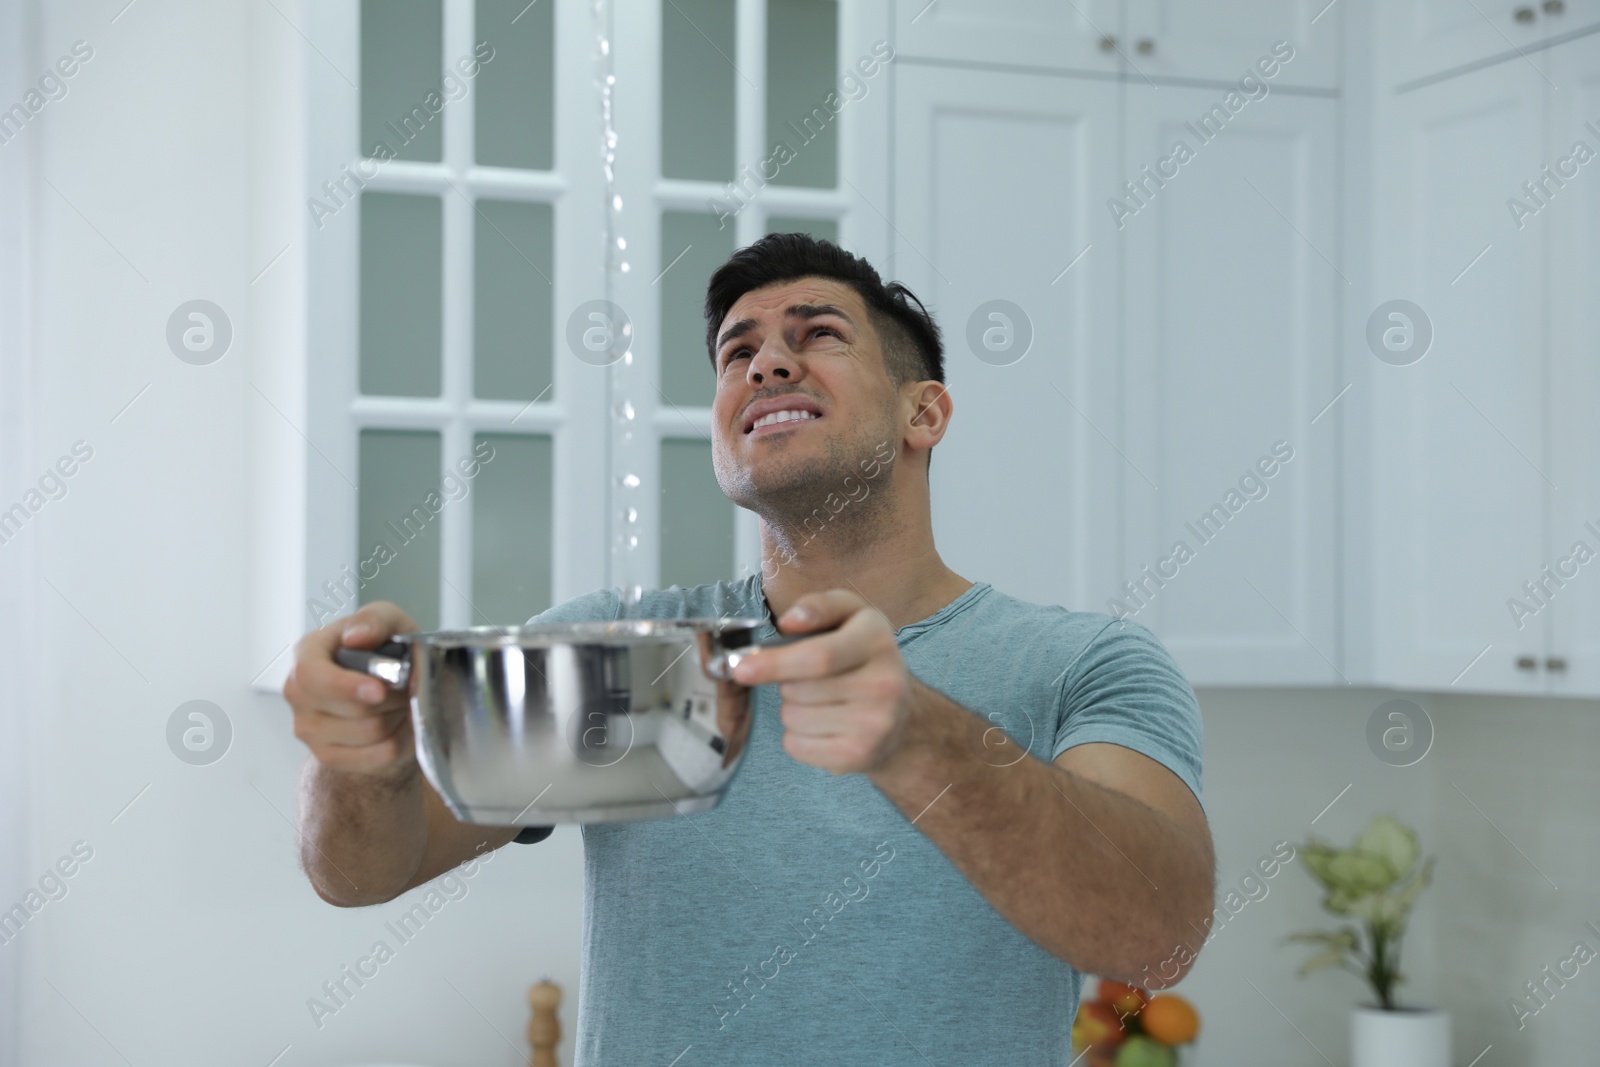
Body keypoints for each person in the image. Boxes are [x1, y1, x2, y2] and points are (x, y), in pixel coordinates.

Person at [287, 233, 1214, 1064]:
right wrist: (357, 762)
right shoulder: (633, 654)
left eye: (818, 335)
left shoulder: (1080, 664)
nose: (766, 362)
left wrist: (916, 740)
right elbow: (363, 871)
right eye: (740, 351)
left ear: (922, 414)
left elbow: (1157, 938)